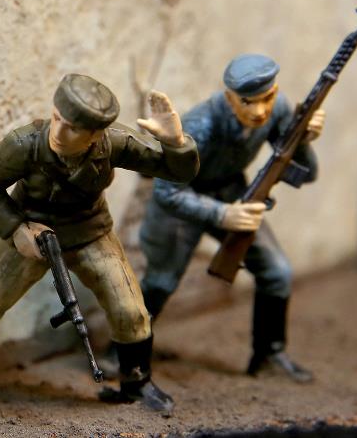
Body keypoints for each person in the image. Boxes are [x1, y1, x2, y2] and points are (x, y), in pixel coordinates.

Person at [0, 75, 198, 414]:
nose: (59, 132)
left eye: (74, 128)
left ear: (96, 134)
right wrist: (17, 229)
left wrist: (176, 142)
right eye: (57, 118)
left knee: (130, 310)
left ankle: (136, 383)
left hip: (90, 231)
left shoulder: (115, 142)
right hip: (32, 233)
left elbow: (176, 171)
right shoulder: (25, 145)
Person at [138, 54, 324, 382]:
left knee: (277, 271)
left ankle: (268, 355)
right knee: (161, 281)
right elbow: (166, 192)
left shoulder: (279, 109)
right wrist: (223, 215)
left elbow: (305, 174)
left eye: (267, 98)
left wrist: (303, 139)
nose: (260, 111)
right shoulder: (200, 124)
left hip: (232, 194)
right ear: (229, 97)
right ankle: (123, 357)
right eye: (247, 101)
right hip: (182, 203)